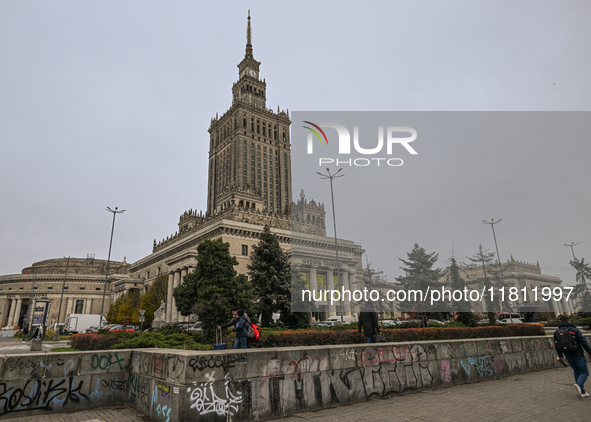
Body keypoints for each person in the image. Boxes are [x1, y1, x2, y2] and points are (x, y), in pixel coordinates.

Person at [554, 314, 591, 398]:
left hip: (568, 355)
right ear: (569, 321)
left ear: (560, 322)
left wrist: (560, 356)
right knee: (584, 372)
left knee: (576, 371)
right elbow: (583, 343)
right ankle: (578, 385)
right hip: (578, 354)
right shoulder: (574, 330)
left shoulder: (557, 332)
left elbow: (557, 345)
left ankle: (582, 391)